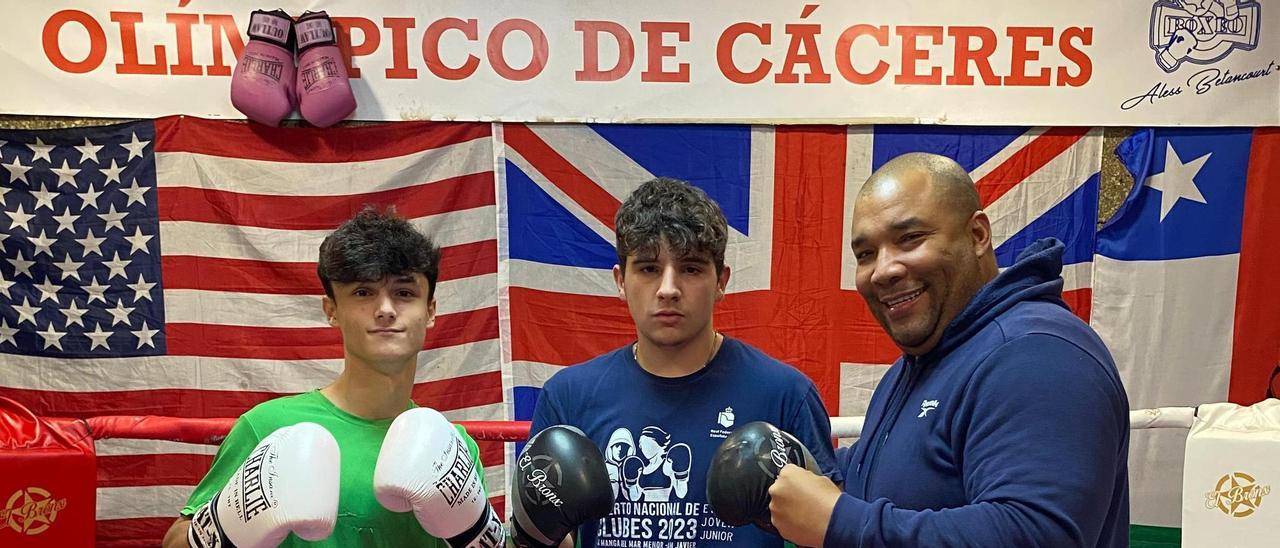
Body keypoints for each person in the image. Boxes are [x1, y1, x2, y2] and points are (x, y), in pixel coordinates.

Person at [766, 152, 1131, 547]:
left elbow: (1036, 534)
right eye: (866, 254)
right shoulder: (921, 365)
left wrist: (841, 522)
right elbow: (891, 483)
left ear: (977, 235)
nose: (884, 269)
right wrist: (788, 478)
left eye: (910, 238)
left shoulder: (1036, 354)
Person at [529, 177, 839, 547]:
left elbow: (829, 533)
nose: (668, 289)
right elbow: (542, 536)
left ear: (721, 281)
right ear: (620, 281)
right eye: (648, 268)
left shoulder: (786, 395)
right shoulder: (568, 397)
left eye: (691, 269)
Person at [162, 207, 495, 547]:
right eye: (363, 292)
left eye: (404, 293)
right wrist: (228, 523)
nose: (386, 309)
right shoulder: (267, 427)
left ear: (430, 311)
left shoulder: (453, 447)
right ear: (331, 311)